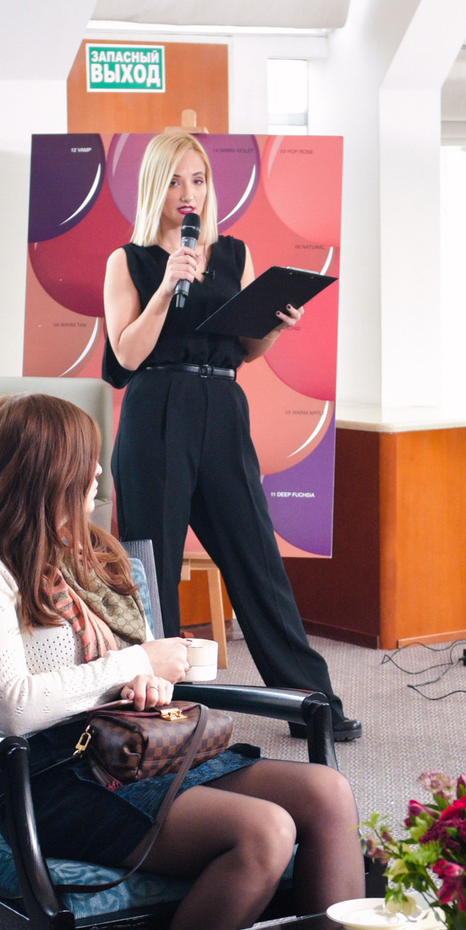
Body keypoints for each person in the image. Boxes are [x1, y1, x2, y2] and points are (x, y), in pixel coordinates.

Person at [0, 392, 362, 930]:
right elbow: (14, 708)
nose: (99, 472)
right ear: (49, 471)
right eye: (87, 459)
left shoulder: (81, 555)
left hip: (135, 749)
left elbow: (125, 666)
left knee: (328, 793)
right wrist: (131, 662)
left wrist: (147, 678)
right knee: (265, 833)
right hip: (52, 777)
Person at [101, 128, 359, 743]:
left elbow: (246, 346)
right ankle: (155, 707)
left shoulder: (232, 253)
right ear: (153, 187)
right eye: (173, 180)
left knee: (256, 561)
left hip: (222, 405)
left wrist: (275, 325)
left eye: (198, 180)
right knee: (151, 568)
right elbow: (124, 354)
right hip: (156, 407)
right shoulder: (128, 261)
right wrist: (167, 284)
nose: (187, 193)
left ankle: (310, 700)